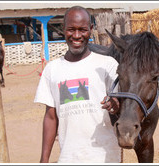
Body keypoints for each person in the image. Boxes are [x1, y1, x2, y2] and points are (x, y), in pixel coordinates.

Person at [34, 6, 121, 163]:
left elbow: (121, 104)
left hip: (106, 156)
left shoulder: (108, 65)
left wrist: (115, 104)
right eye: (71, 29)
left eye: (82, 30)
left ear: (91, 29)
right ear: (63, 29)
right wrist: (44, 159)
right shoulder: (52, 70)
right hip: (69, 157)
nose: (76, 35)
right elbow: (51, 117)